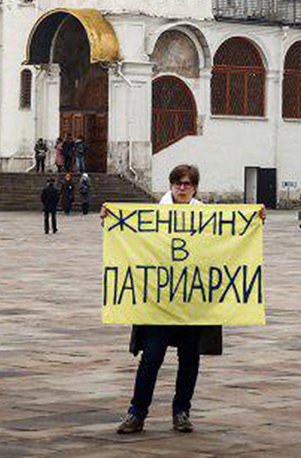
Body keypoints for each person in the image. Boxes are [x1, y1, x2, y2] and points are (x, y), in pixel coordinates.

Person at [112, 165, 265, 435]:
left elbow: (222, 248)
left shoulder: (206, 216)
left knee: (189, 359)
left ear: (195, 187)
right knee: (151, 358)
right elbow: (131, 240)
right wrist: (111, 218)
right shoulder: (153, 215)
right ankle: (137, 412)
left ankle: (182, 411)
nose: (183, 188)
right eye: (178, 183)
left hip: (194, 304)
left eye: (188, 184)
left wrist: (252, 220)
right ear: (170, 185)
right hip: (158, 303)